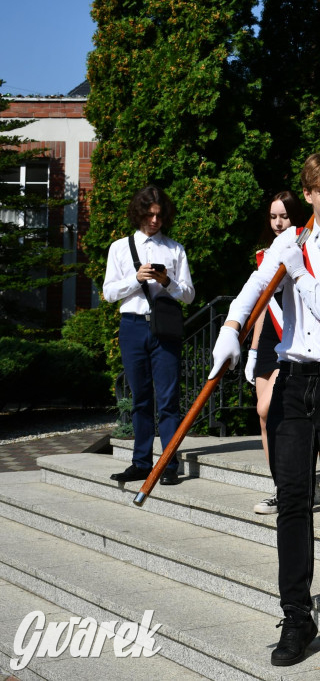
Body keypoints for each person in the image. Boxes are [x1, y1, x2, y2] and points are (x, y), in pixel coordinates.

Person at [206, 153, 320, 666]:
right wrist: (229, 329)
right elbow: (252, 290)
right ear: (307, 194)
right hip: (293, 380)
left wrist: (299, 271)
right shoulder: (290, 242)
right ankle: (297, 615)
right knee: (292, 499)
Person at [102, 185, 195, 486]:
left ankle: (168, 464)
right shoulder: (120, 247)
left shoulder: (174, 249)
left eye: (159, 215)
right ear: (139, 213)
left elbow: (190, 296)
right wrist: (136, 279)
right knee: (140, 398)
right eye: (149, 215)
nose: (154, 221)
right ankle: (141, 462)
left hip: (164, 327)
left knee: (168, 399)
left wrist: (167, 281)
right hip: (132, 326)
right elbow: (108, 292)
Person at [243, 190, 307, 515]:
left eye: (284, 215)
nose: (278, 222)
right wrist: (253, 351)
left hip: (292, 341)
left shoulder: (305, 248)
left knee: (270, 410)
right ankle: (281, 488)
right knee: (263, 417)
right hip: (267, 340)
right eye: (273, 216)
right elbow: (262, 307)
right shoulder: (263, 254)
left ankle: (294, 486)